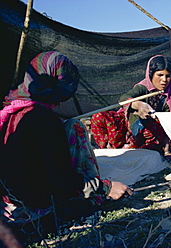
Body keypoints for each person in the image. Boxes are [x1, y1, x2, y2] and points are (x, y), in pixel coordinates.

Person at [0, 51, 132, 240]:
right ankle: (92, 199)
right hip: (34, 212)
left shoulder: (10, 112)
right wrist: (106, 187)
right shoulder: (43, 119)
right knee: (75, 127)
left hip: (7, 210)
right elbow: (60, 179)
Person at [91, 55, 171, 157]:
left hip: (147, 135)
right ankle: (108, 150)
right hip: (127, 126)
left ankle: (133, 149)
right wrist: (138, 104)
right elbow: (124, 99)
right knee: (99, 117)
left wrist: (167, 150)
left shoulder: (169, 98)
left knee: (153, 126)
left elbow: (168, 126)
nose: (164, 80)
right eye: (160, 75)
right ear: (151, 74)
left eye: (168, 76)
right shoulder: (142, 88)